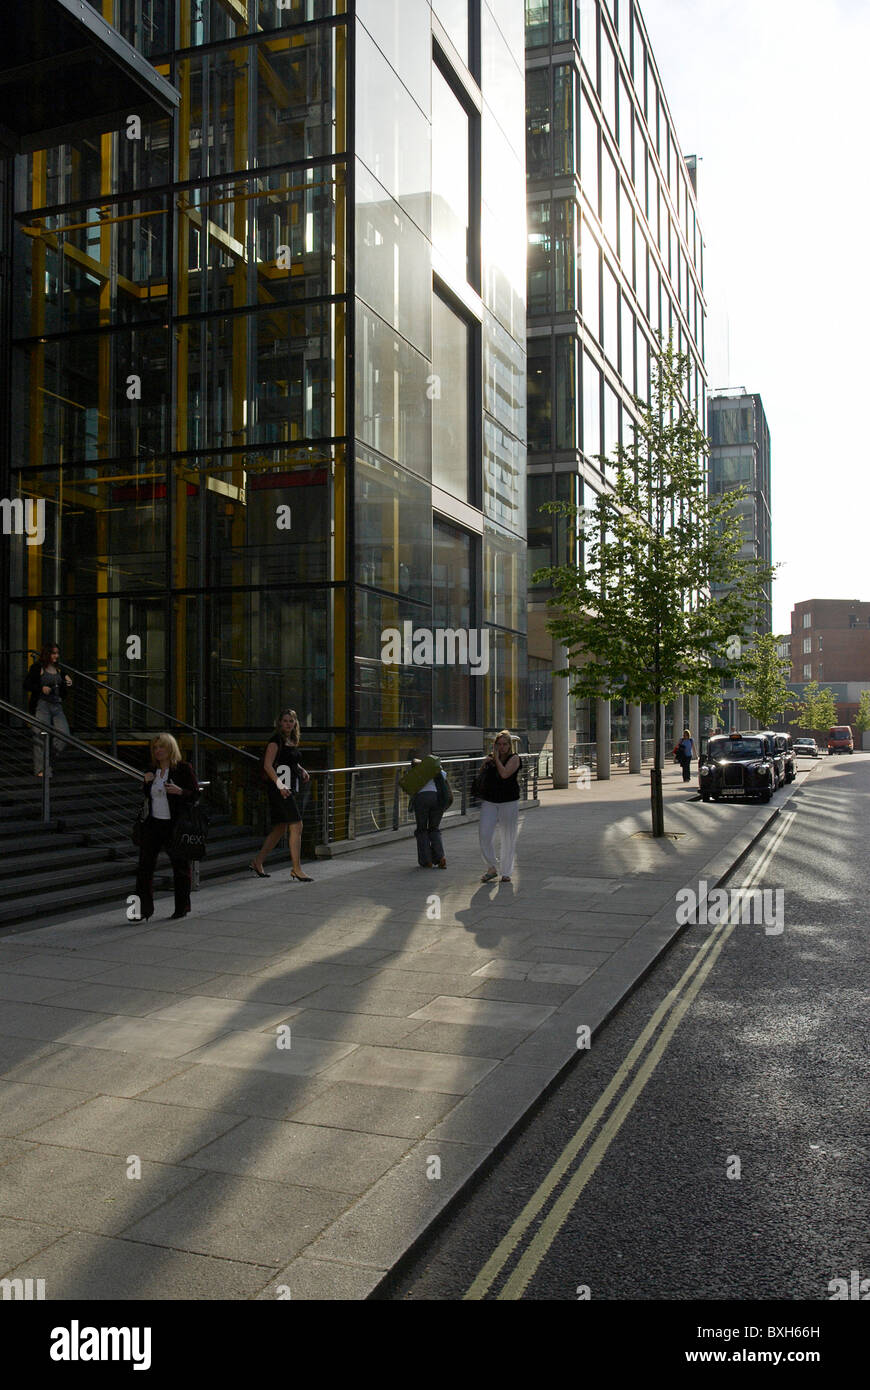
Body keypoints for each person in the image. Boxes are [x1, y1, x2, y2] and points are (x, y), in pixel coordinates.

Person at [135, 733, 200, 921]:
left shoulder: (183, 769)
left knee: (180, 866)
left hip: (175, 825)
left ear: (170, 748)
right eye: (155, 748)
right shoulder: (151, 770)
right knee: (144, 867)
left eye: (161, 747)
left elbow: (195, 795)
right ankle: (142, 910)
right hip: (153, 824)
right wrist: (146, 784)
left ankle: (182, 907)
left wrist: (181, 792)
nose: (158, 751)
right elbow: (149, 796)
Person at [250, 709, 313, 882]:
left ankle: (258, 861)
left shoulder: (292, 740)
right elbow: (267, 765)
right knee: (297, 825)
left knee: (280, 828)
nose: (288, 724)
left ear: (295, 723)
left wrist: (301, 769)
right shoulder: (275, 741)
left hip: (290, 787)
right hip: (280, 789)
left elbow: (290, 760)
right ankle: (296, 868)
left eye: (291, 721)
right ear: (279, 723)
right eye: (285, 721)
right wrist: (280, 785)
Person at [478, 729, 521, 883]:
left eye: (505, 744)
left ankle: (506, 872)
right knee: (484, 834)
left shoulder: (514, 758)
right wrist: (485, 764)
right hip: (490, 801)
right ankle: (491, 866)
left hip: (509, 801)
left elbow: (504, 774)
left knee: (508, 836)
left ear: (510, 746)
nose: (502, 747)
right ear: (495, 745)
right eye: (499, 744)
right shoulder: (491, 758)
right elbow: (482, 776)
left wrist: (495, 759)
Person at [25, 643, 72, 776]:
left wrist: (67, 681)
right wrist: (41, 688)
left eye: (57, 653)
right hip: (42, 705)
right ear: (47, 654)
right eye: (53, 653)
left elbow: (62, 685)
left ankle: (48, 762)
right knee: (40, 736)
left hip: (57, 706)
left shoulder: (59, 670)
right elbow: (27, 684)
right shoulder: (37, 668)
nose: (56, 656)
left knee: (64, 736)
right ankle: (41, 769)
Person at [404, 751, 447, 870]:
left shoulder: (416, 773)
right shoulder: (441, 772)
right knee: (434, 828)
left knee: (422, 829)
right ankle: (440, 857)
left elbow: (408, 786)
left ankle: (426, 860)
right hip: (438, 799)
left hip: (422, 799)